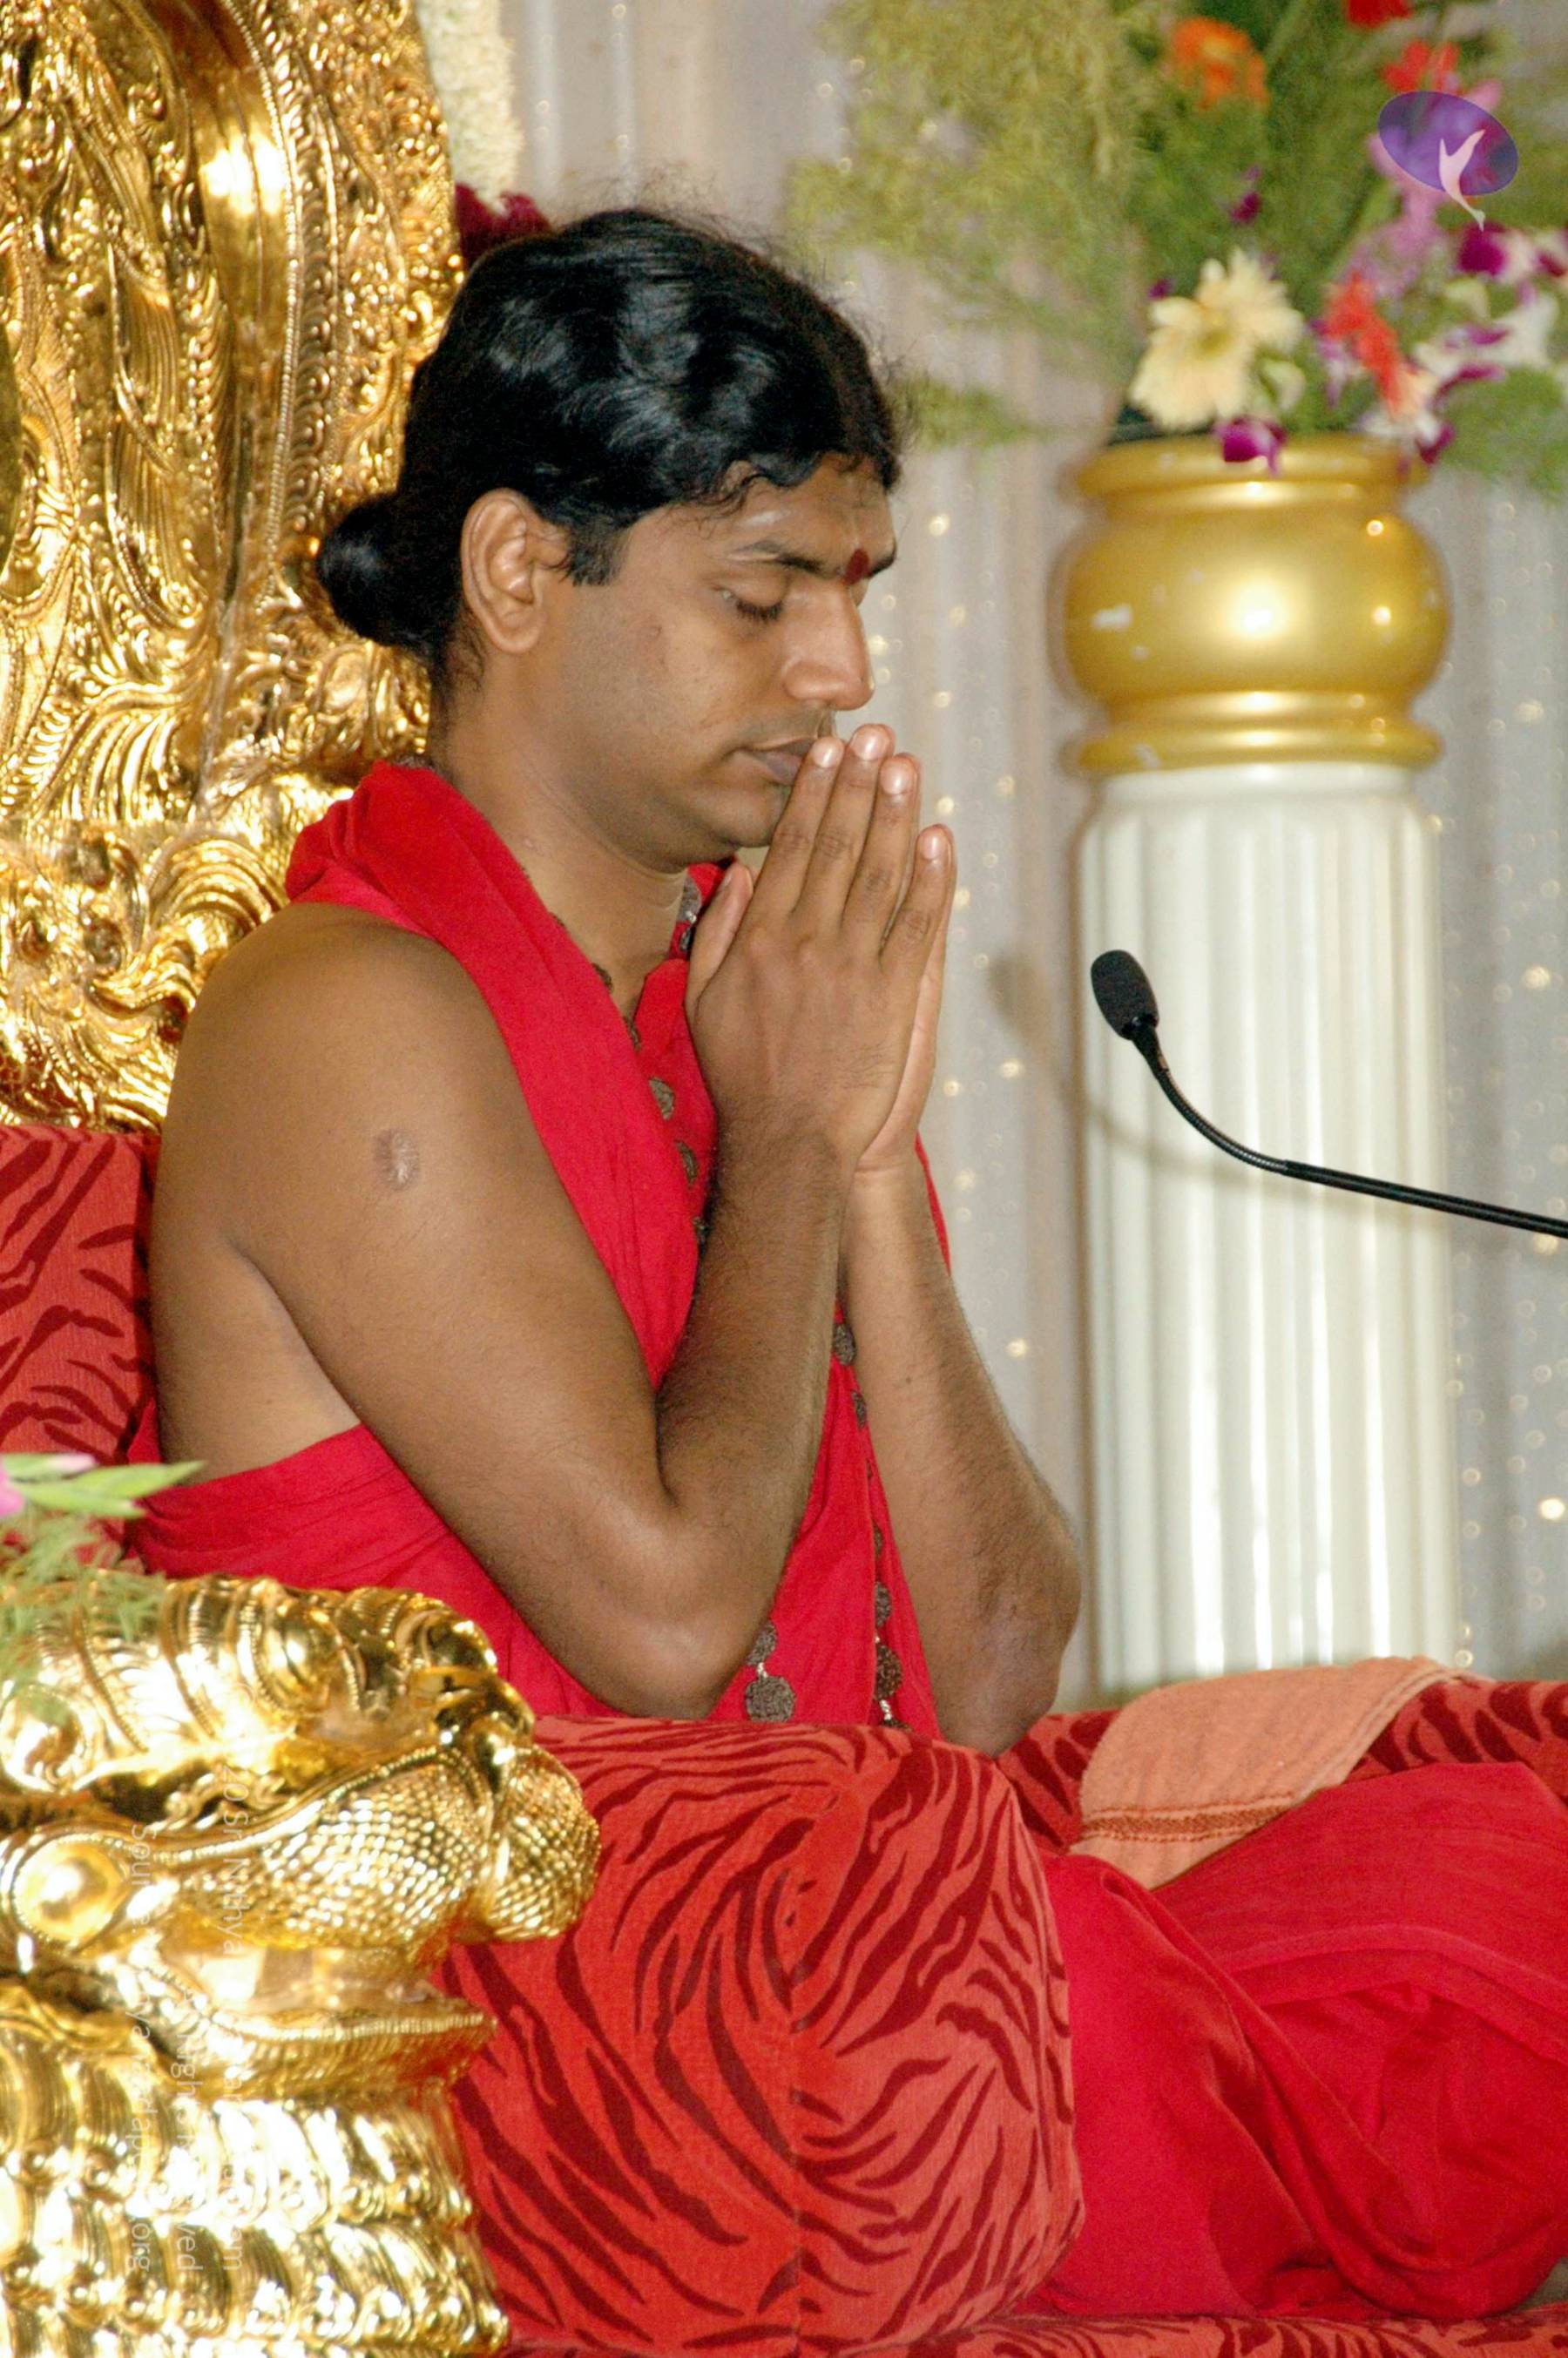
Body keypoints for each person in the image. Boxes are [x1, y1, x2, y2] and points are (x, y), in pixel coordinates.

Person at [126, 206, 1568, 2322]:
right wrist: (794, 1139)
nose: (842, 672)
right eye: (762, 593)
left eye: (857, 588)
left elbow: (990, 1676)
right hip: (541, 2025)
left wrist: (864, 1147)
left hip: (871, 1944)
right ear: (519, 575)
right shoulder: (341, 1012)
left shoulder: (740, 1006)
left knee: (1507, 1866)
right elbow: (665, 1626)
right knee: (1142, 2012)